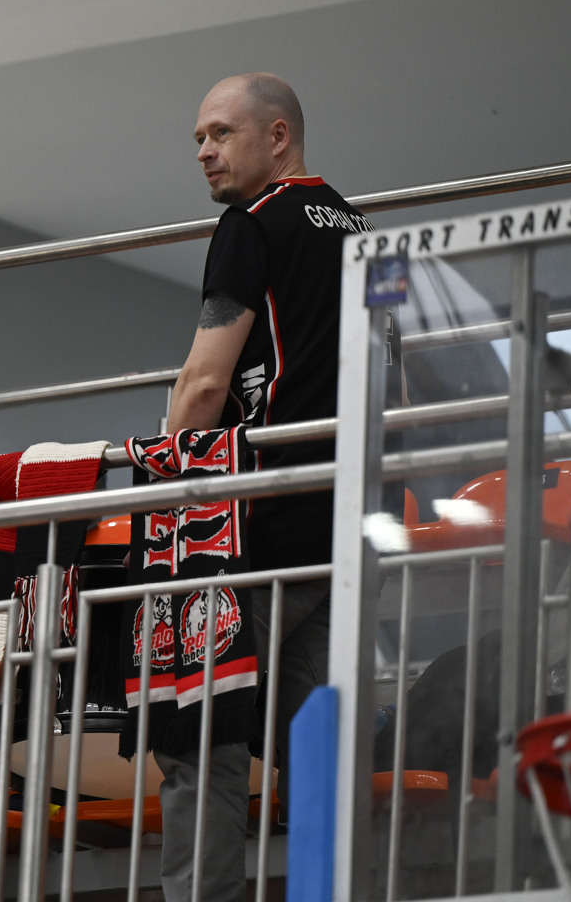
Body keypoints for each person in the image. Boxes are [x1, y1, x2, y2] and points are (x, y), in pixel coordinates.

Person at [156, 73, 369, 900]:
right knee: (315, 743)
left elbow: (205, 381)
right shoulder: (352, 223)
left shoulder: (251, 223)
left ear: (277, 136)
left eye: (221, 133)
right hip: (340, 524)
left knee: (200, 735)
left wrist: (162, 487)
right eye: (198, 139)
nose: (204, 152)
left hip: (259, 530)